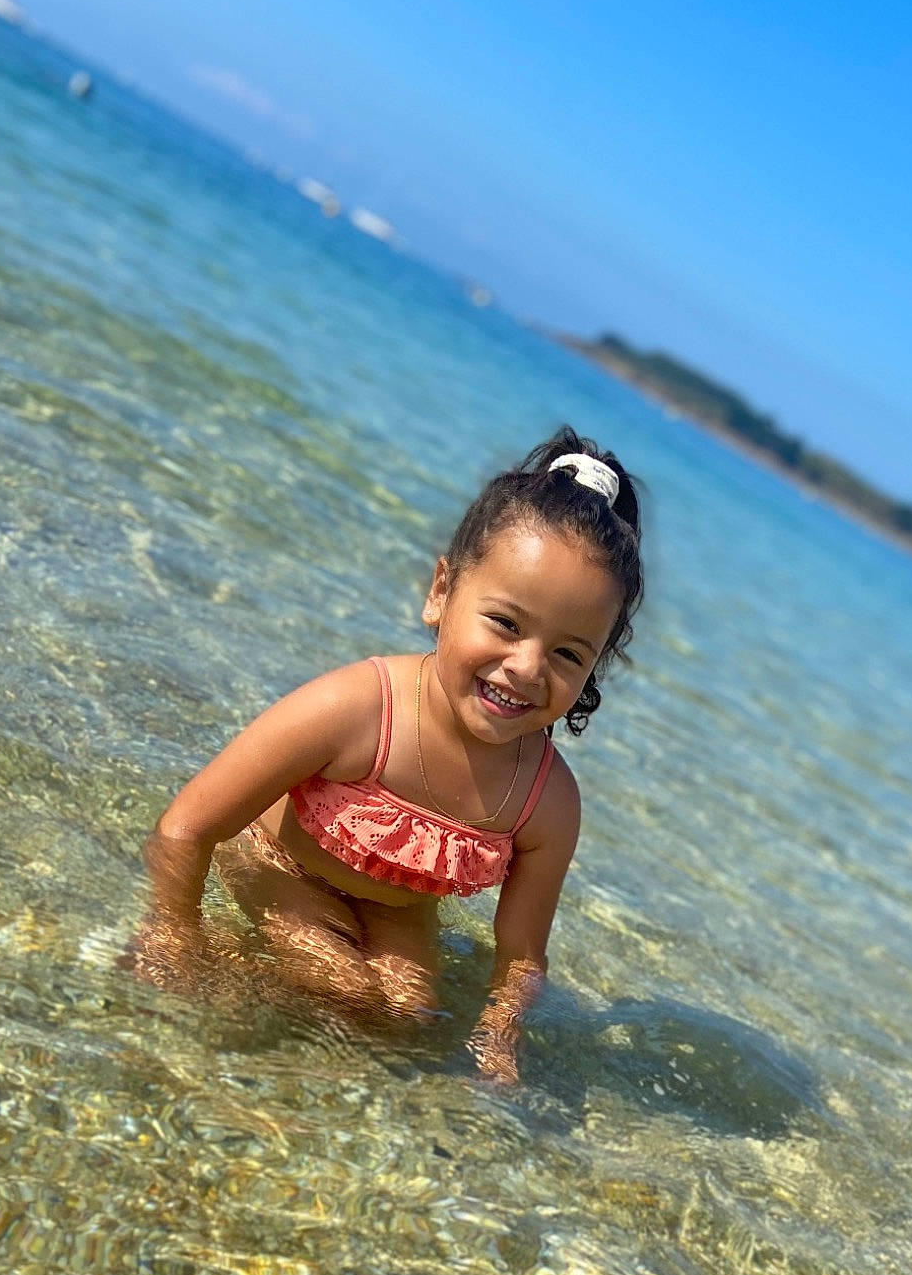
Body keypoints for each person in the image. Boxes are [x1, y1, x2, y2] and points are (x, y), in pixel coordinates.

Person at [135, 429, 644, 1082]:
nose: (525, 668)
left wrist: (500, 1038)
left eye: (568, 654)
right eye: (506, 624)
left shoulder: (545, 801)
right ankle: (219, 1024)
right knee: (341, 988)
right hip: (278, 864)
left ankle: (276, 1045)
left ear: (594, 668)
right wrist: (172, 935)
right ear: (441, 592)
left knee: (409, 1017)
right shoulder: (357, 709)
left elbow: (520, 956)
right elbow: (189, 825)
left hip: (396, 910)